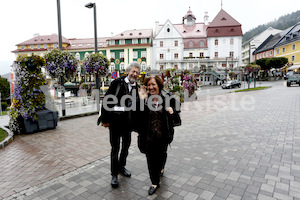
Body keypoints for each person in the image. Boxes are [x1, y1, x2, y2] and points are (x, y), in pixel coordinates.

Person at [138, 75, 181, 195]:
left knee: (162, 156)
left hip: (163, 136)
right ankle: (154, 182)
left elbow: (177, 117)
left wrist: (172, 112)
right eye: (149, 85)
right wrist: (141, 100)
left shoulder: (168, 98)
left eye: (153, 84)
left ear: (159, 85)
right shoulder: (145, 99)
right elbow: (137, 118)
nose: (151, 87)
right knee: (151, 159)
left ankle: (161, 167)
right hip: (149, 136)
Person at [100, 62, 141, 188]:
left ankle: (121, 167)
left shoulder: (137, 88)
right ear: (128, 71)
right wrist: (105, 119)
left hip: (128, 124)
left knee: (126, 147)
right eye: (133, 71)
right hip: (115, 123)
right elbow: (106, 100)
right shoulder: (116, 83)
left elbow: (137, 107)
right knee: (115, 148)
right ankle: (114, 174)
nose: (135, 74)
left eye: (137, 72)